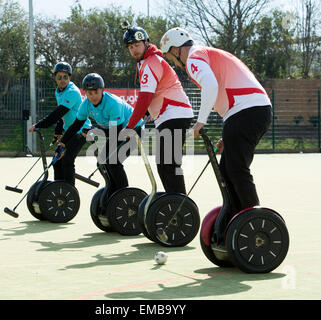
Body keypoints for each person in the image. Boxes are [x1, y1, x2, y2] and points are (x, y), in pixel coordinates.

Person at [160, 27, 272, 215]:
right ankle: (238, 217)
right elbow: (225, 91)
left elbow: (211, 85)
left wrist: (200, 122)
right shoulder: (205, 54)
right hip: (249, 111)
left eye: (171, 57)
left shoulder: (194, 58)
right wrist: (226, 136)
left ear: (176, 49)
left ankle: (253, 219)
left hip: (246, 111)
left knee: (236, 169)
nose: (174, 62)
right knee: (227, 170)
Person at [122, 23, 194, 195]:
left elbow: (145, 98)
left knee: (168, 164)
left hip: (174, 114)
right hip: (169, 116)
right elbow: (152, 97)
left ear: (146, 43)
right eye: (130, 47)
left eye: (137, 45)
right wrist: (142, 117)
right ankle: (174, 200)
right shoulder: (146, 62)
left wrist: (130, 126)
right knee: (165, 164)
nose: (134, 50)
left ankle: (179, 204)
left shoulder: (151, 62)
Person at [58, 73, 142, 195]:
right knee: (103, 160)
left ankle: (124, 195)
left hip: (134, 131)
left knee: (112, 160)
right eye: (89, 93)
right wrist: (63, 143)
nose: (93, 96)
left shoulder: (113, 103)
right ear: (85, 93)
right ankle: (113, 191)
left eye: (96, 92)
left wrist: (94, 131)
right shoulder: (85, 105)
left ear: (102, 90)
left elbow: (116, 132)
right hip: (117, 132)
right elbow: (75, 125)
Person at [29, 61, 92, 186]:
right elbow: (62, 115)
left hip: (81, 130)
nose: (62, 80)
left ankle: (69, 192)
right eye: (59, 77)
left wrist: (38, 125)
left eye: (65, 77)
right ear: (55, 78)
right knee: (57, 161)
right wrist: (58, 131)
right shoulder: (58, 91)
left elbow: (58, 113)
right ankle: (58, 189)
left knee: (67, 160)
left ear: (69, 77)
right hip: (70, 131)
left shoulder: (72, 92)